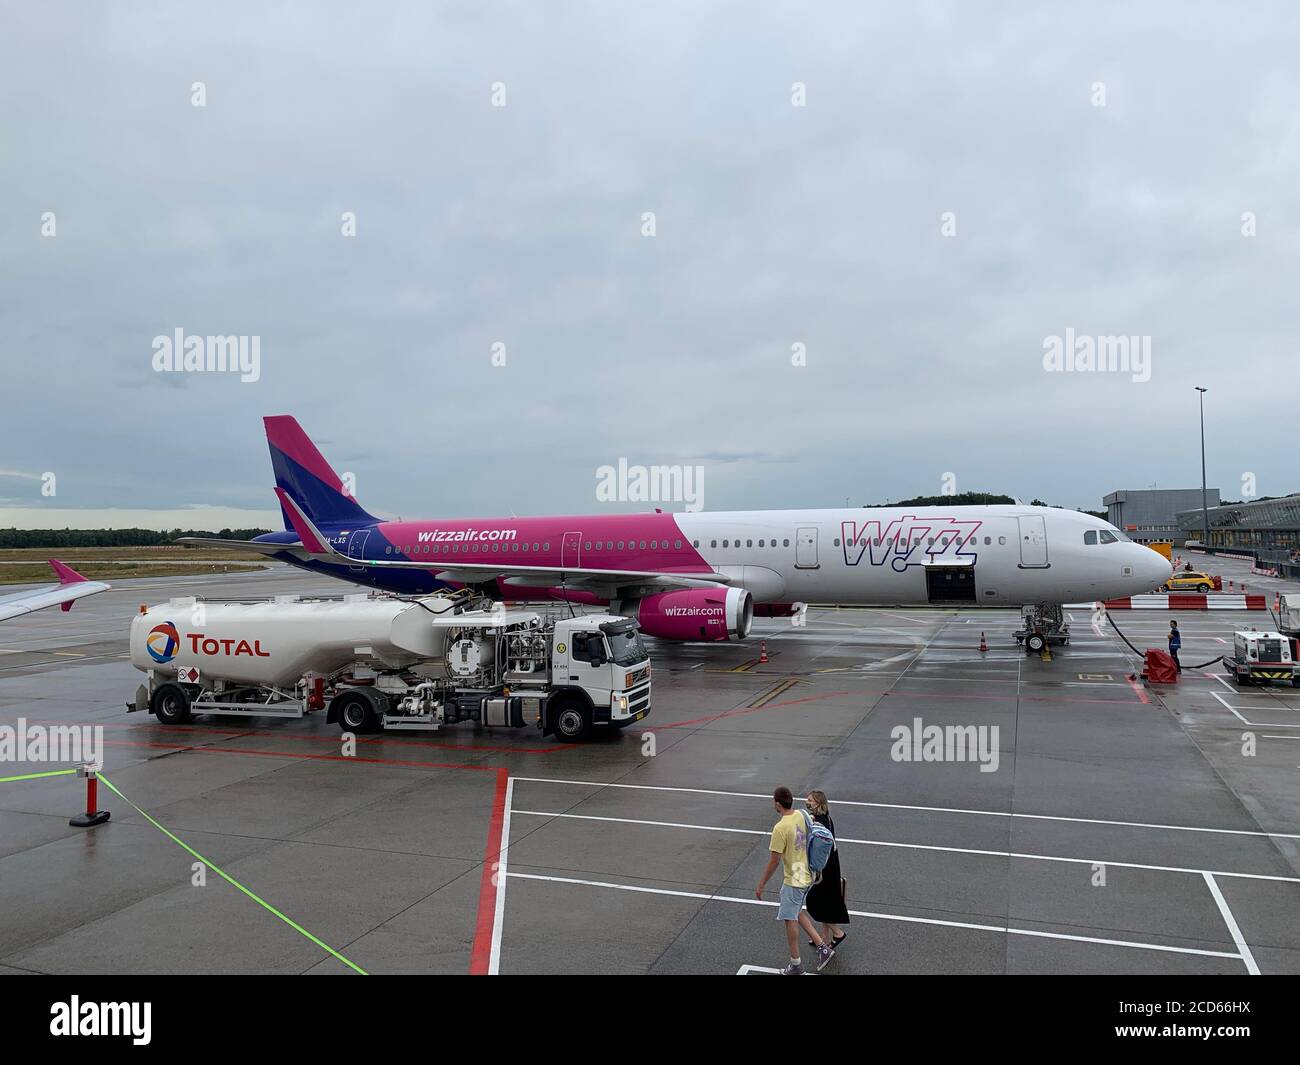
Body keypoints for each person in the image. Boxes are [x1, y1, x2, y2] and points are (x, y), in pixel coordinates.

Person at [756, 786, 834, 975]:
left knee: (790, 919)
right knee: (797, 911)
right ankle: (823, 948)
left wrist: (761, 885)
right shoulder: (801, 814)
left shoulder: (780, 828)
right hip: (807, 872)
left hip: (794, 879)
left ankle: (796, 964)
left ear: (777, 803)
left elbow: (774, 860)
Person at [803, 790, 849, 949]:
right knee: (827, 902)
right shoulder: (825, 817)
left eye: (810, 800)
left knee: (814, 902)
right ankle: (824, 937)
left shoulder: (818, 822)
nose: (807, 802)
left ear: (817, 803)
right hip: (832, 866)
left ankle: (838, 933)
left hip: (825, 870)